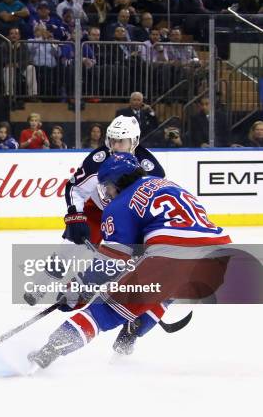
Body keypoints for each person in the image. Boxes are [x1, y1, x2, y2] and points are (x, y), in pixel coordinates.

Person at [28, 153, 231, 370]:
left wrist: (77, 291)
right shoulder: (166, 183)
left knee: (104, 310)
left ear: (117, 180)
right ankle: (131, 334)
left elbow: (110, 262)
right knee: (168, 290)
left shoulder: (119, 205)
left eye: (107, 186)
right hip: (218, 257)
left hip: (172, 256)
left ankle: (48, 351)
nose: (106, 192)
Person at [64, 116, 165, 246]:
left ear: (134, 141)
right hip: (98, 210)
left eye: (121, 141)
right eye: (113, 140)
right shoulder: (98, 160)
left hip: (131, 218)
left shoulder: (150, 167)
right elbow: (75, 188)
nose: (116, 146)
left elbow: (156, 201)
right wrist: (75, 217)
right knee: (70, 250)